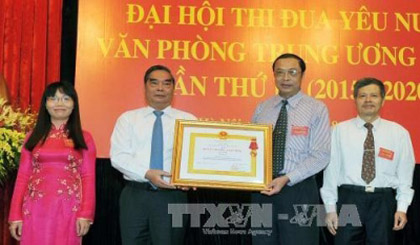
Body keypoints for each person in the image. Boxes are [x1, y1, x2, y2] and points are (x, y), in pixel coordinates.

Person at [320, 77, 415, 244]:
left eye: (374, 96)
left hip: (383, 201)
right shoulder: (339, 131)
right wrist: (330, 209)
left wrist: (402, 208)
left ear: (383, 100)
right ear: (355, 100)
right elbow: (331, 172)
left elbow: (405, 175)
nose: (368, 100)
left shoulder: (399, 133)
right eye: (362, 96)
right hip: (349, 198)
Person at [110, 65, 196, 245]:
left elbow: (195, 159)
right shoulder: (128, 119)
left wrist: (193, 178)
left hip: (174, 196)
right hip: (135, 196)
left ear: (173, 88)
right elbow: (119, 156)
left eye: (166, 84)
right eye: (154, 83)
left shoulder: (189, 120)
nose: (160, 88)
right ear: (145, 86)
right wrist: (148, 173)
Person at [251, 53, 331, 244]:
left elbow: (321, 155)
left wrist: (286, 178)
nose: (285, 78)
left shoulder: (316, 108)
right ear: (273, 75)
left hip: (298, 188)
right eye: (280, 73)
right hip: (262, 189)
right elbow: (250, 147)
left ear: (302, 75)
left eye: (292, 72)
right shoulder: (262, 108)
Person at [8, 81, 97, 244]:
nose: (59, 103)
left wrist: (86, 213)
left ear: (73, 105)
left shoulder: (85, 138)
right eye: (53, 98)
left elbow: (88, 177)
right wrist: (15, 215)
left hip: (69, 208)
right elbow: (22, 177)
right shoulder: (32, 137)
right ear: (46, 104)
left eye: (65, 99)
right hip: (34, 208)